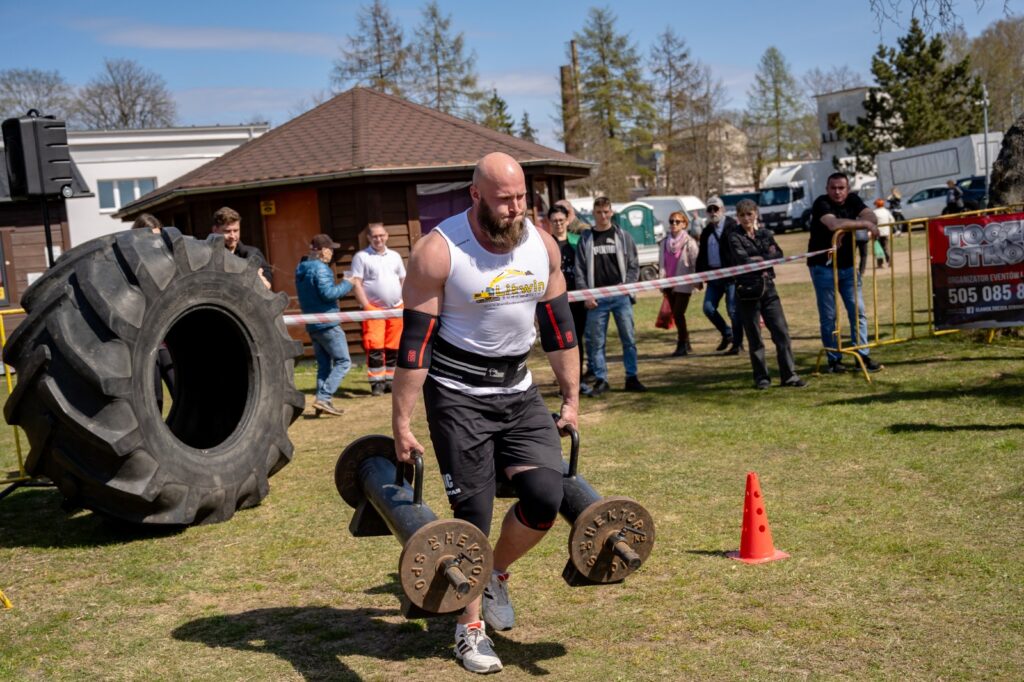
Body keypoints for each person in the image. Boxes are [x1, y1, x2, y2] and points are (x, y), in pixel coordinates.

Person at [391, 152, 579, 674]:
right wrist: (402, 422)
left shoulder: (542, 245)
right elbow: (415, 345)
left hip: (518, 392)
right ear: (476, 195)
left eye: (522, 198)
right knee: (470, 518)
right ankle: (469, 629)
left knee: (546, 496)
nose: (515, 209)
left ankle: (492, 574)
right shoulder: (439, 251)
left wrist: (571, 397)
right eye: (504, 200)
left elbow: (560, 329)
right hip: (457, 395)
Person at [807, 172, 883, 374]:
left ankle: (862, 356)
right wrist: (864, 224)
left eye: (841, 188)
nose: (837, 192)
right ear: (827, 189)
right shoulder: (821, 203)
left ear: (847, 189)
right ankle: (834, 360)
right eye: (833, 187)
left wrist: (866, 220)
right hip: (823, 267)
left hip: (849, 267)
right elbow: (834, 224)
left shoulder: (854, 199)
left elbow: (871, 215)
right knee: (829, 316)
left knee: (858, 312)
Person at [727, 200, 805, 389]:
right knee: (755, 337)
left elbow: (778, 254)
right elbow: (743, 259)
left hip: (769, 288)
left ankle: (789, 375)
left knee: (781, 333)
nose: (746, 218)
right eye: (742, 215)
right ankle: (761, 377)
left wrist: (762, 258)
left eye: (750, 214)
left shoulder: (765, 233)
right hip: (747, 291)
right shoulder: (734, 236)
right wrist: (763, 258)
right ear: (737, 217)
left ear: (756, 214)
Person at [574, 196, 645, 395]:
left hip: (621, 297)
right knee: (596, 343)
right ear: (593, 213)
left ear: (611, 212)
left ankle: (632, 377)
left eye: (606, 212)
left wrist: (627, 287)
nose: (603, 216)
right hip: (596, 299)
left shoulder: (623, 236)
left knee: (628, 339)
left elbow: (633, 265)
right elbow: (580, 270)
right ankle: (601, 379)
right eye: (599, 212)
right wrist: (586, 295)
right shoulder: (586, 238)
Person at [295, 234, 354, 416]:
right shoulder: (321, 269)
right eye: (330, 249)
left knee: (324, 365)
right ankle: (324, 397)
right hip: (328, 323)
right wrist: (347, 284)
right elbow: (328, 294)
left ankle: (323, 403)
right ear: (322, 251)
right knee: (344, 362)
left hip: (312, 324)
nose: (331, 253)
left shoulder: (301, 268)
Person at [350, 223, 406, 396]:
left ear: (387, 236)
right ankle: (377, 384)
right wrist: (366, 306)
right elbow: (356, 283)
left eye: (381, 235)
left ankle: (392, 382)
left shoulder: (395, 256)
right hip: (374, 309)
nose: (378, 239)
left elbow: (403, 279)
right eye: (374, 236)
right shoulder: (361, 257)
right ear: (369, 238)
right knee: (375, 346)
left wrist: (404, 301)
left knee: (394, 347)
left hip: (396, 308)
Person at [131, 213, 175, 408]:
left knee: (181, 389)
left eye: (158, 237)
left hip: (166, 341)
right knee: (153, 401)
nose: (155, 244)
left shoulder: (167, 263)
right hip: (143, 344)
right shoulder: (130, 267)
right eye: (151, 238)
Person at [696, 196, 743, 355]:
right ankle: (727, 333)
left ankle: (738, 343)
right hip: (713, 277)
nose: (712, 212)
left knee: (733, 310)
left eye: (715, 209)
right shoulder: (706, 231)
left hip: (731, 277)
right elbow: (701, 255)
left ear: (722, 210)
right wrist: (699, 278)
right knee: (708, 308)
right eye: (709, 209)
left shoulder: (733, 226)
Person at [549, 205, 587, 379]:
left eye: (561, 220)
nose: (558, 224)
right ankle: (563, 379)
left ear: (567, 221)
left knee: (577, 340)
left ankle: (577, 378)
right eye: (555, 221)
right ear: (550, 222)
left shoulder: (578, 241)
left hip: (578, 299)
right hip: (556, 301)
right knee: (559, 343)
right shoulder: (547, 244)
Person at [658, 211, 700, 356]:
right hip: (668, 283)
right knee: (677, 315)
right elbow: (662, 264)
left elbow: (695, 263)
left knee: (678, 313)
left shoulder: (690, 241)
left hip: (684, 282)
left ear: (684, 224)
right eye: (671, 221)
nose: (674, 224)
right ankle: (686, 342)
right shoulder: (664, 242)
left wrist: (697, 281)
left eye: (677, 221)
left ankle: (682, 343)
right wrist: (662, 283)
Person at [211, 206, 272, 289]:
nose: (232, 236)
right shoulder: (207, 255)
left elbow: (267, 285)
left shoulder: (253, 254)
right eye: (227, 231)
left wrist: (261, 281)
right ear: (215, 230)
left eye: (236, 230)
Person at [872, 198, 894, 268]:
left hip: (877, 233)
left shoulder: (875, 212)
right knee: (885, 248)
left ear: (876, 205)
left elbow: (872, 221)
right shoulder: (886, 211)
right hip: (886, 232)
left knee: (878, 248)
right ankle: (889, 260)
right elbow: (892, 220)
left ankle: (880, 264)